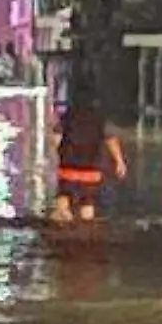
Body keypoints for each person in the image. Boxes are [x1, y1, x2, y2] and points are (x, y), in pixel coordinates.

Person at [52, 73, 126, 223]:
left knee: (63, 197)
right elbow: (111, 139)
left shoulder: (68, 116)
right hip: (91, 169)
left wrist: (55, 155)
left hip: (68, 168)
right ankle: (86, 233)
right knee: (88, 202)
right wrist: (119, 161)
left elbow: (56, 138)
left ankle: (63, 226)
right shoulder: (100, 118)